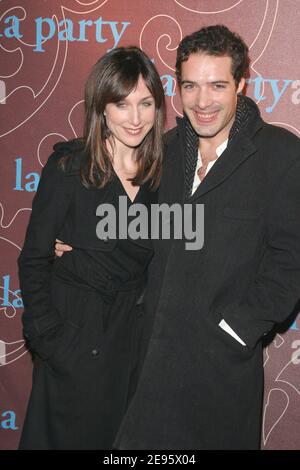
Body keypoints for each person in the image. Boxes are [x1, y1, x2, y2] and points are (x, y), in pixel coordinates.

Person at [56, 25, 300, 449]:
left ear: (241, 84)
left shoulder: (280, 155)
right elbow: (136, 233)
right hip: (145, 361)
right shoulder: (162, 151)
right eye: (190, 86)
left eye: (217, 85)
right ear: (177, 86)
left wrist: (240, 329)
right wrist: (83, 247)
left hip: (219, 372)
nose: (202, 101)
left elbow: (291, 260)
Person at [18, 46, 165, 450]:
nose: (135, 119)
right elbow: (32, 257)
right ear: (101, 108)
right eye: (121, 104)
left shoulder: (162, 179)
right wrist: (50, 339)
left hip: (129, 343)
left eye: (145, 103)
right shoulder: (70, 167)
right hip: (75, 335)